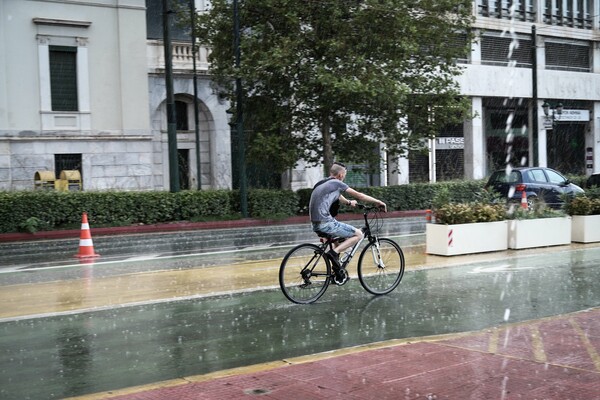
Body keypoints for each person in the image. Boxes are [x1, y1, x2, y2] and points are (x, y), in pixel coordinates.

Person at [309, 162, 387, 273]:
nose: (344, 177)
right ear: (340, 175)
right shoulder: (337, 183)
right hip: (325, 222)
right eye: (344, 174)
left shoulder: (323, 183)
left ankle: (337, 271)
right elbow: (359, 195)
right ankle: (334, 253)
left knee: (339, 242)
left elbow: (338, 195)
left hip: (315, 224)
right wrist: (378, 202)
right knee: (359, 234)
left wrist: (349, 202)